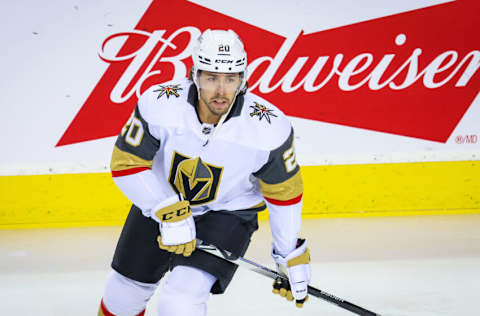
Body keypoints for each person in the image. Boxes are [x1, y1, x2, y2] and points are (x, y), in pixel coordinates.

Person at [98, 29, 311, 316]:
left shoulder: (268, 127)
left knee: (180, 302)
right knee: (122, 295)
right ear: (195, 75)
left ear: (243, 79)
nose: (222, 91)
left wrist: (288, 255)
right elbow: (126, 163)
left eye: (231, 79)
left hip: (228, 215)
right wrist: (166, 208)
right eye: (211, 78)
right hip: (160, 202)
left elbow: (284, 193)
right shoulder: (160, 103)